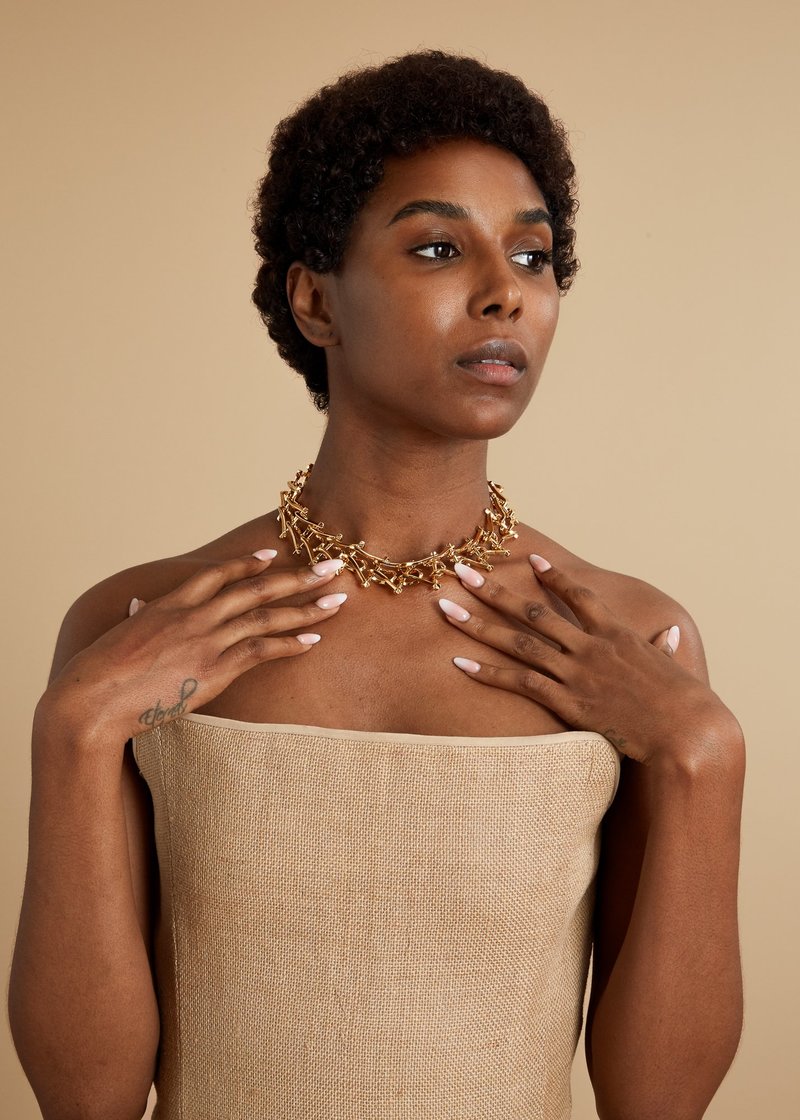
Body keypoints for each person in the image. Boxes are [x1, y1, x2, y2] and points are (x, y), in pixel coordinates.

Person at [8, 50, 744, 1120]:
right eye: (439, 247)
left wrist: (704, 757)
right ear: (316, 300)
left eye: (532, 256)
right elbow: (87, 1100)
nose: (505, 292)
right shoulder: (140, 626)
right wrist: (73, 732)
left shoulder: (626, 641)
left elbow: (657, 1102)